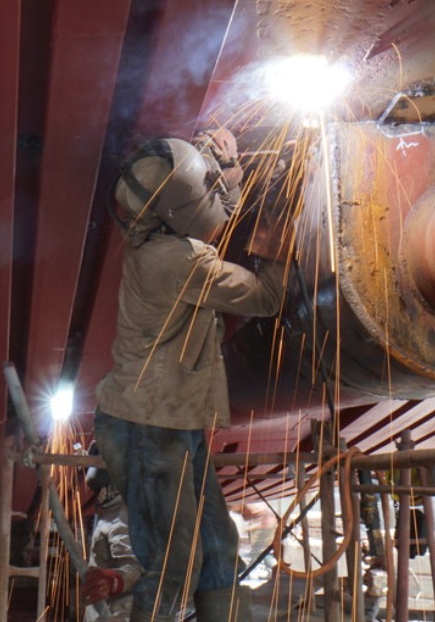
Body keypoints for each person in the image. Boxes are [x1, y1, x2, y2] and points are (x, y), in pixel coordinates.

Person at [93, 130, 287, 622]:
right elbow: (267, 297)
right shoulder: (180, 262)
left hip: (168, 423)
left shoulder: (150, 236)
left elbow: (200, 222)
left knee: (219, 546)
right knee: (173, 565)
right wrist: (277, 211)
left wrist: (228, 177)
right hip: (147, 428)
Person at [82, 459, 143, 622]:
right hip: (107, 612)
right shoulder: (113, 510)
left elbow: (134, 567)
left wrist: (112, 581)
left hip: (120, 614)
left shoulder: (123, 512)